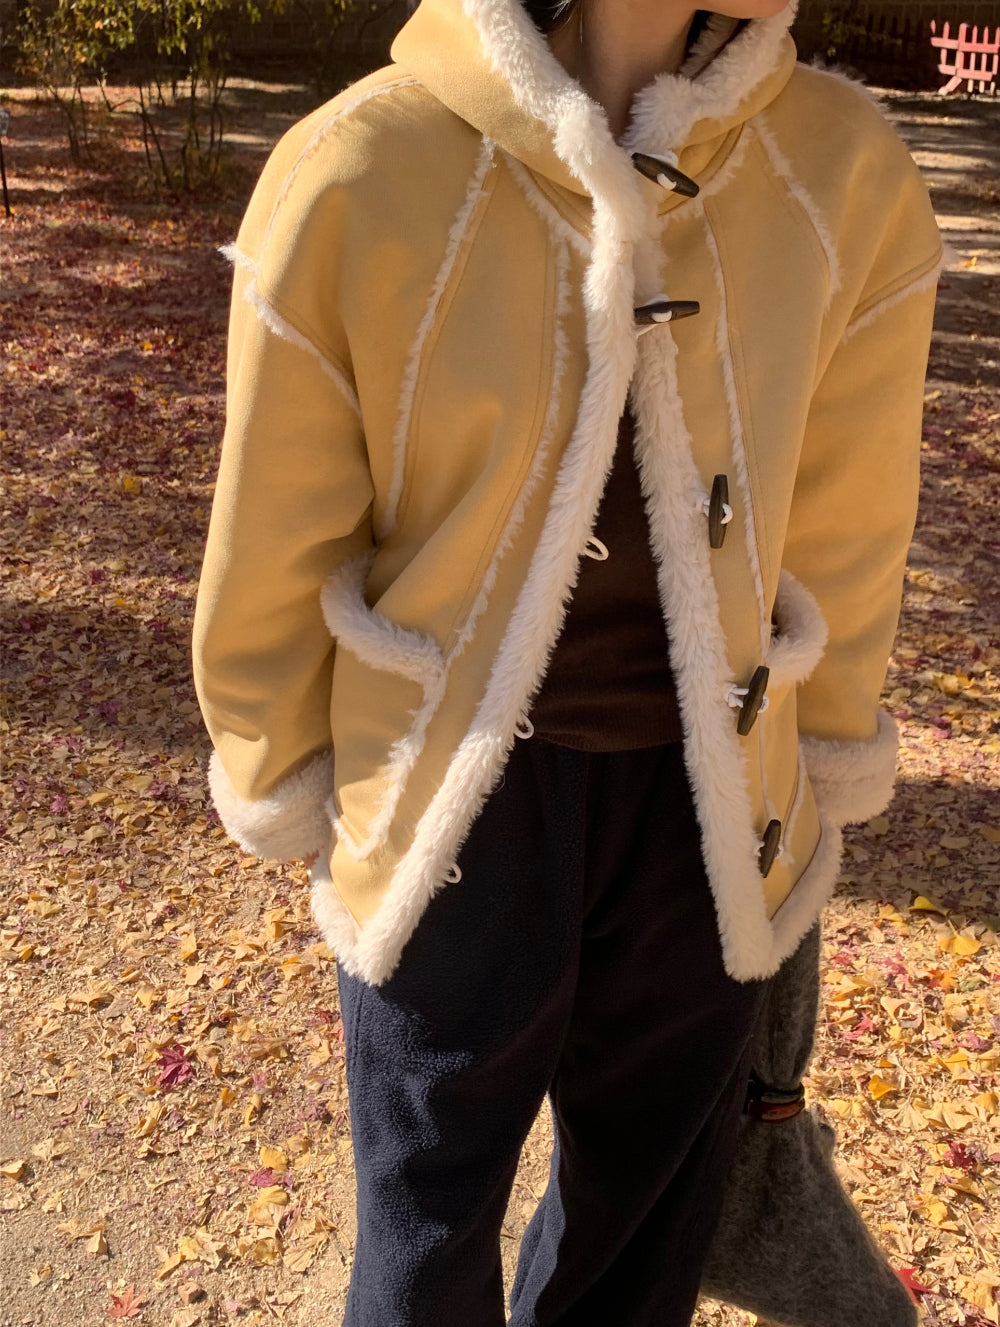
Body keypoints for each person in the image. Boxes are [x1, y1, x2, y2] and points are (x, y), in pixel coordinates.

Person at [191, 0, 942, 1322]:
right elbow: (277, 527)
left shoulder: (847, 173)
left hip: (710, 815)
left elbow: (849, 517)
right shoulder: (359, 164)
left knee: (645, 1236)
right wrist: (278, 761)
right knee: (424, 1240)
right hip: (447, 808)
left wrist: (822, 753)